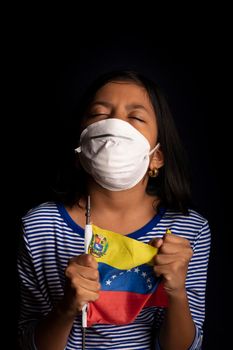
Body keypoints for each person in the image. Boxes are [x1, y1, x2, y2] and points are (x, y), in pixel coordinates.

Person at [17, 70, 211, 350]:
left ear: (156, 156)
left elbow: (184, 347)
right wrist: (66, 307)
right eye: (99, 114)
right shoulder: (39, 226)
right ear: (80, 148)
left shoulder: (188, 229)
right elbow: (28, 343)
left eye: (135, 117)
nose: (115, 125)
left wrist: (176, 292)